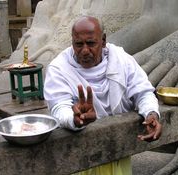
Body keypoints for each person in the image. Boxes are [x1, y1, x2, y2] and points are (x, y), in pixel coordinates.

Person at [44, 16, 162, 175]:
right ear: (72, 42)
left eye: (91, 43)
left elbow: (143, 92)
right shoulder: (59, 68)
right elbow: (59, 107)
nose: (84, 50)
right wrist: (75, 119)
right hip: (78, 156)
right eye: (78, 44)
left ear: (104, 40)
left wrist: (151, 114)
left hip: (117, 150)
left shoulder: (121, 59)